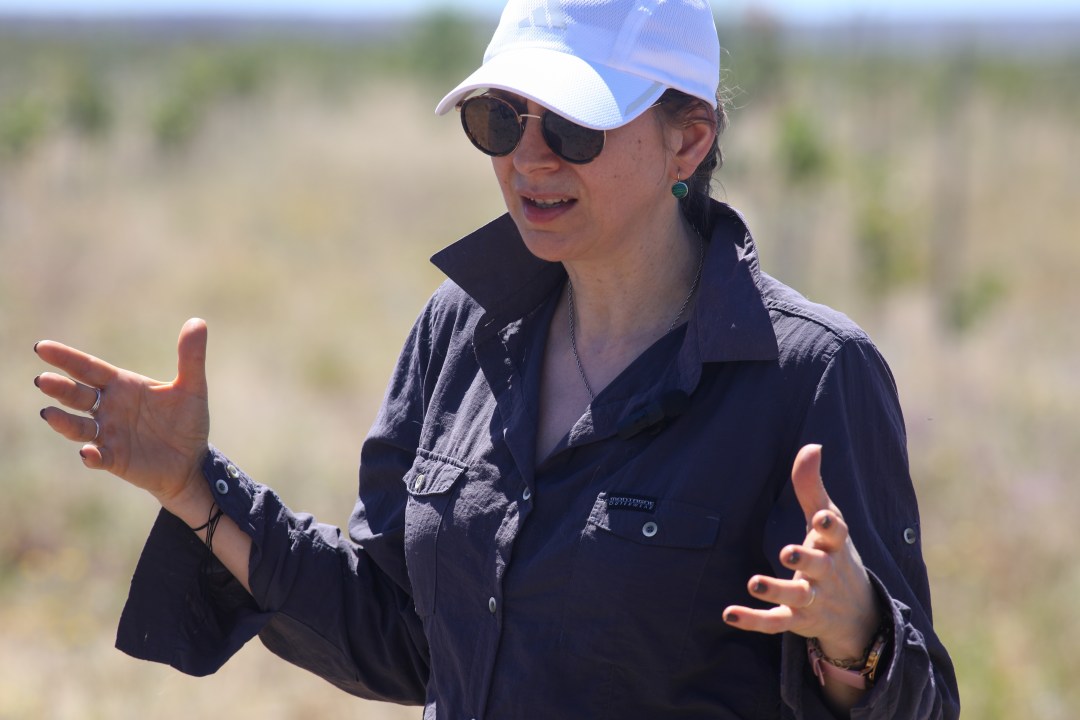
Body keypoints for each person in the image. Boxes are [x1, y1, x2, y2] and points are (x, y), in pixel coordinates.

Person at [34, 0, 959, 717]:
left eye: (573, 128)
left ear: (689, 139)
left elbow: (915, 700)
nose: (530, 159)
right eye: (500, 119)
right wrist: (194, 487)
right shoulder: (461, 330)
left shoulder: (810, 376)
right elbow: (395, 633)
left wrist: (856, 638)